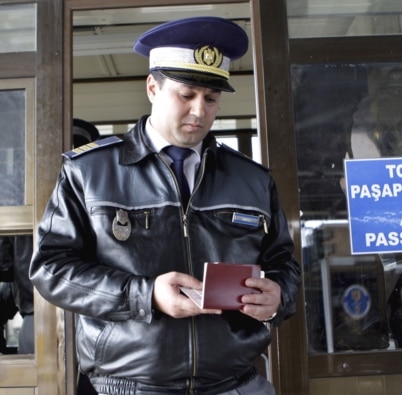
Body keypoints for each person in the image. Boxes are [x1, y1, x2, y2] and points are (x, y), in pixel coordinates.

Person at [30, 16, 301, 395]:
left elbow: (284, 265)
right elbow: (51, 269)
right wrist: (145, 295)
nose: (199, 111)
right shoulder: (88, 171)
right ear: (152, 87)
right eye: (186, 94)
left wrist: (278, 296)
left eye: (211, 98)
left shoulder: (252, 180)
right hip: (125, 386)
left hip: (235, 385)